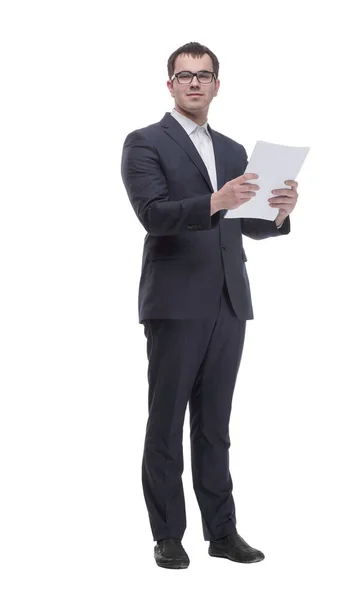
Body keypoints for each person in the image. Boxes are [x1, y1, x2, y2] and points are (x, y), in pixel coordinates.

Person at [120, 41, 299, 569]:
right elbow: (153, 213)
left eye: (204, 75)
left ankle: (222, 532)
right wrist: (216, 201)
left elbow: (248, 227)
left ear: (217, 85)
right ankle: (168, 535)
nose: (194, 83)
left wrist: (281, 214)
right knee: (166, 420)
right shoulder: (144, 142)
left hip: (228, 299)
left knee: (215, 425)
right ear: (170, 85)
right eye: (184, 75)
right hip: (175, 302)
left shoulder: (233, 150)